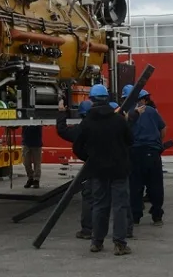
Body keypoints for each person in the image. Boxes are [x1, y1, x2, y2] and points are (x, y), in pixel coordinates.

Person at [74, 84, 134, 256]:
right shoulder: (119, 120)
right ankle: (120, 244)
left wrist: (90, 159)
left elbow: (77, 146)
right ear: (107, 98)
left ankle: (96, 242)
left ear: (91, 100)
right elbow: (130, 140)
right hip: (119, 170)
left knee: (100, 205)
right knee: (120, 206)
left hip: (97, 170)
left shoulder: (87, 122)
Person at [57, 98, 94, 239]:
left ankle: (87, 230)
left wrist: (62, 113)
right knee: (116, 197)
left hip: (92, 166)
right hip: (112, 166)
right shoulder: (110, 123)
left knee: (89, 196)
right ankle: (126, 229)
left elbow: (62, 130)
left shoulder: (80, 129)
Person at [128, 89, 166, 228]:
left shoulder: (127, 114)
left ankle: (135, 217)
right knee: (155, 185)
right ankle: (157, 216)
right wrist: (157, 143)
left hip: (135, 153)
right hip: (153, 152)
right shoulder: (151, 111)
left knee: (135, 186)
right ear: (142, 99)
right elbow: (163, 128)